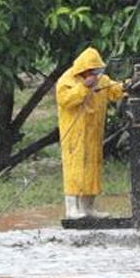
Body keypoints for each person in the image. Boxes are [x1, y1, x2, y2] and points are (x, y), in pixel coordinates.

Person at [56, 47, 126, 220]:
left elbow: (115, 91)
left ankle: (88, 209)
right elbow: (65, 100)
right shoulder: (67, 80)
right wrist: (84, 88)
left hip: (93, 135)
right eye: (90, 71)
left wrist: (130, 85)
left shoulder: (102, 80)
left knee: (92, 171)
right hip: (74, 136)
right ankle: (72, 210)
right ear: (82, 69)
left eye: (96, 70)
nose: (94, 74)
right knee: (74, 170)